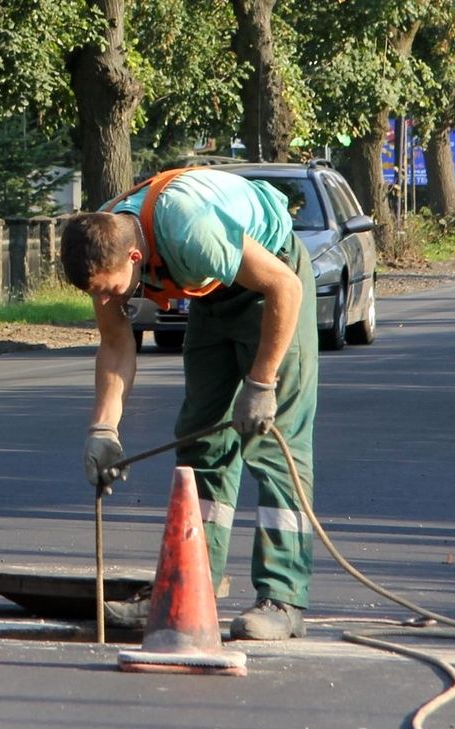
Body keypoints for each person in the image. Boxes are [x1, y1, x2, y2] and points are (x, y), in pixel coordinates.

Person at [58, 167, 319, 641]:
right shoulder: (105, 243)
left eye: (109, 289)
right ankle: (190, 583)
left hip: (272, 285)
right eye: (95, 291)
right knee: (200, 437)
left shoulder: (189, 229)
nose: (103, 298)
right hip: (215, 296)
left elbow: (285, 287)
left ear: (135, 257)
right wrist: (103, 430)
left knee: (273, 443)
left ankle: (283, 597)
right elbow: (116, 344)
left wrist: (261, 384)